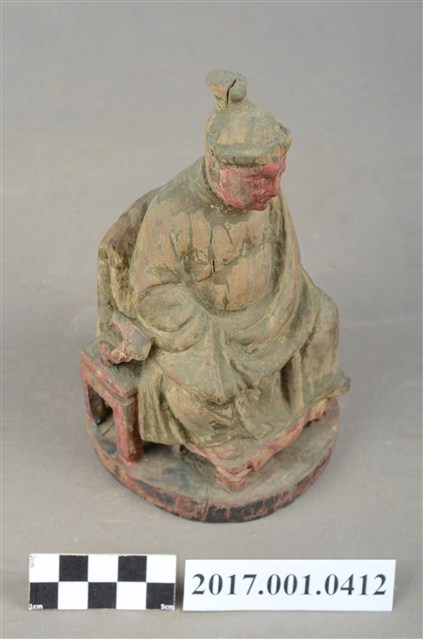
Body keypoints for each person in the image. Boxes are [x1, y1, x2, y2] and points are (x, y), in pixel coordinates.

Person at [96, 69, 349, 483]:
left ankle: (307, 401)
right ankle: (225, 444)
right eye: (261, 179)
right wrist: (207, 336)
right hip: (208, 330)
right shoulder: (173, 212)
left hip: (273, 309)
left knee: (323, 316)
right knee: (198, 395)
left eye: (279, 175)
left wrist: (287, 300)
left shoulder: (267, 198)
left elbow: (286, 256)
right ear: (219, 168)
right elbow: (152, 292)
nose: (273, 189)